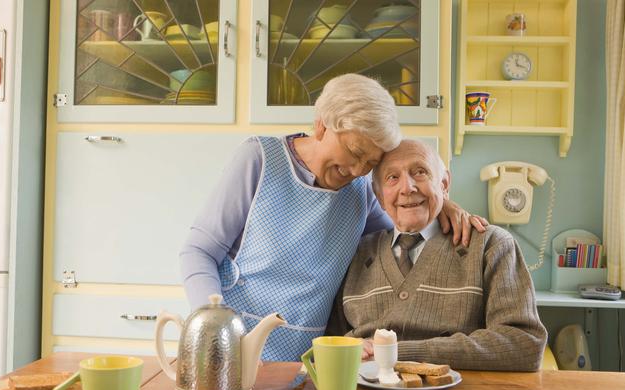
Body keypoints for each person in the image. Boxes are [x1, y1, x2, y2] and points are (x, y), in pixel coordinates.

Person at [180, 74, 487, 362]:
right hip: (231, 345)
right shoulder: (260, 160)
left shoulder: (361, 191)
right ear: (322, 125)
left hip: (310, 358)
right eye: (354, 152)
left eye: (371, 162)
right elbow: (199, 252)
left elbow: (399, 232)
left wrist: (438, 203)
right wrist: (214, 326)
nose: (357, 170)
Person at [326, 139, 547, 371]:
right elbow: (331, 342)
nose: (407, 188)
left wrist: (393, 353)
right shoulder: (357, 251)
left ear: (444, 184)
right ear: (379, 196)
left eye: (420, 172)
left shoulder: (490, 245)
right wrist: (348, 348)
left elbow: (524, 344)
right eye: (392, 177)